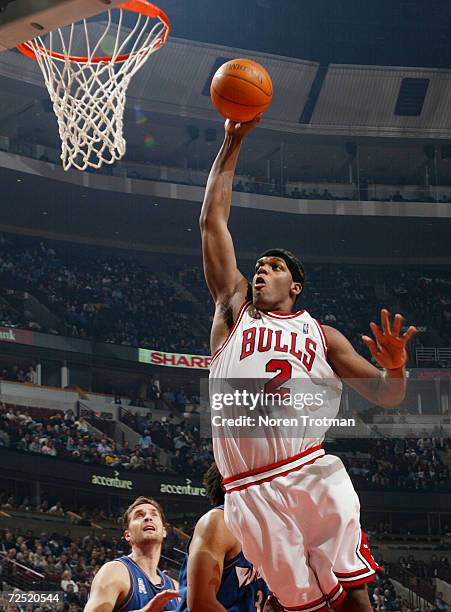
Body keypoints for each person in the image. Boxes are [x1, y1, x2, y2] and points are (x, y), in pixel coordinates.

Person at [200, 117, 417, 612]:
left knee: (353, 598)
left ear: (295, 286)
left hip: (307, 472)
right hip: (246, 491)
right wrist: (231, 143)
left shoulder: (322, 335)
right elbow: (212, 221)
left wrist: (397, 368)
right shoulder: (233, 310)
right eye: (260, 265)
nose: (262, 269)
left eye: (275, 267)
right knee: (303, 606)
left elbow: (387, 396)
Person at [178, 461, 280, 611]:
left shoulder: (265, 534)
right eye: (254, 474)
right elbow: (200, 605)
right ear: (227, 483)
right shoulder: (218, 522)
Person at [84, 496, 179, 611]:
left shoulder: (175, 587)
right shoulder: (114, 571)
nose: (148, 517)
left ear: (164, 531)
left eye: (154, 515)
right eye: (139, 515)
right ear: (127, 535)